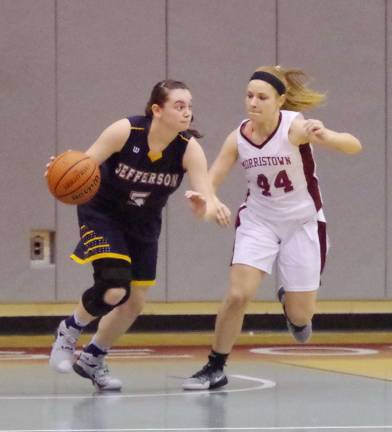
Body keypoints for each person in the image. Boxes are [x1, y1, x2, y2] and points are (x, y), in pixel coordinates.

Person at [183, 65, 362, 390]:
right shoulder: (238, 137)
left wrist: (328, 135)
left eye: (262, 97)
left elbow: (354, 146)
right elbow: (210, 182)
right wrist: (205, 202)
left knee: (301, 318)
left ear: (280, 101)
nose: (253, 102)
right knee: (238, 295)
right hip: (259, 221)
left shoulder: (295, 128)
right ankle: (215, 366)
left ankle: (289, 301)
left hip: (302, 223)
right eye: (249, 95)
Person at [48, 79, 216, 391]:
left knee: (133, 303)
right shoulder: (125, 132)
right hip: (102, 212)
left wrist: (205, 206)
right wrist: (62, 169)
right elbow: (83, 165)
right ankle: (68, 333)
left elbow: (206, 194)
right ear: (157, 109)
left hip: (143, 223)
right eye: (179, 106)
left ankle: (93, 358)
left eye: (190, 107)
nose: (187, 113)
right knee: (114, 288)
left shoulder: (189, 150)